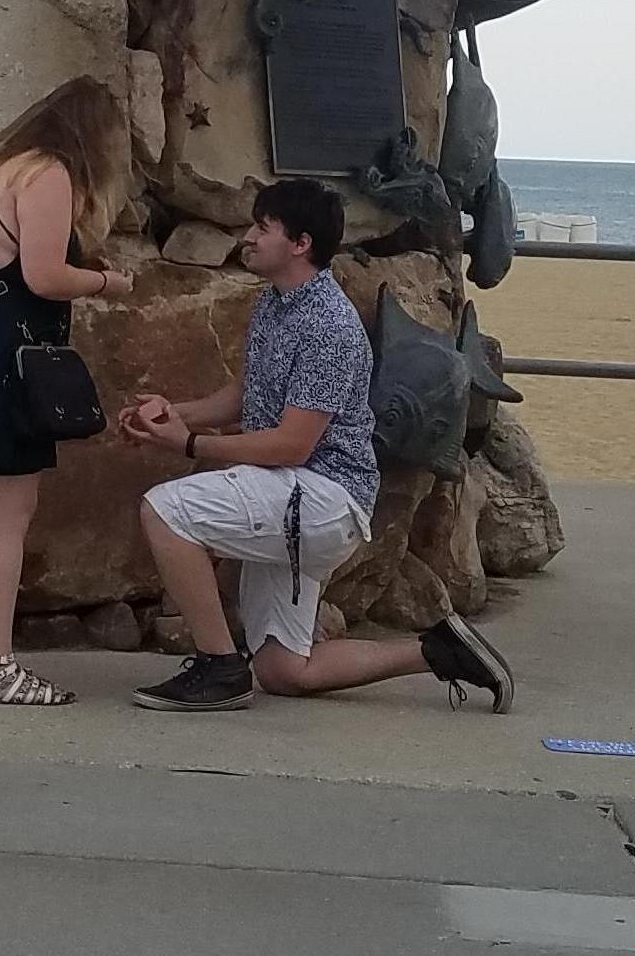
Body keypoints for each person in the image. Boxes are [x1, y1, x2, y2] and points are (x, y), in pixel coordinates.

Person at [116, 179, 512, 714]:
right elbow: (245, 394)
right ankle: (438, 650)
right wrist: (173, 411)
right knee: (283, 670)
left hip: (321, 498)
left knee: (164, 511)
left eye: (263, 227)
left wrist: (187, 443)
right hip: (295, 499)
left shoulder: (328, 324)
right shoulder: (276, 304)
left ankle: (218, 665)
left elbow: (292, 444)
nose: (249, 238)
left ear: (300, 243)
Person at [0, 77, 135, 708]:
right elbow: (43, 276)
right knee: (8, 515)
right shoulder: (48, 175)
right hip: (0, 348)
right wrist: (107, 283)